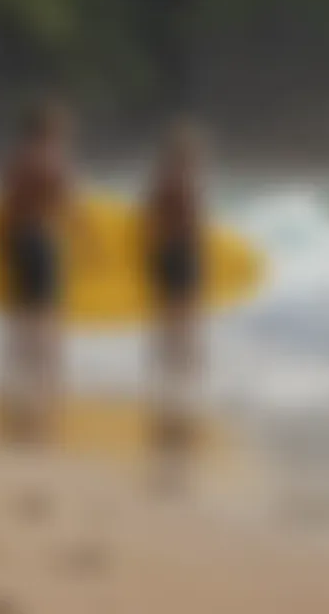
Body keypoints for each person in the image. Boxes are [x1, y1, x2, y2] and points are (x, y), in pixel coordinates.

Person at [0, 98, 85, 444]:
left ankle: (17, 381)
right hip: (42, 241)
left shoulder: (16, 160)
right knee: (49, 314)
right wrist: (90, 245)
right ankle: (48, 385)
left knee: (21, 314)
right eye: (62, 126)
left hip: (17, 240)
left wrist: (1, 245)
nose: (67, 132)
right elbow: (70, 204)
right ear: (49, 128)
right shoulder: (52, 159)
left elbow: (3, 207)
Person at [143, 119, 204, 493]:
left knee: (170, 322)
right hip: (181, 255)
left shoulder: (160, 181)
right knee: (184, 323)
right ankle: (181, 387)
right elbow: (192, 226)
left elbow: (150, 224)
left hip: (165, 254)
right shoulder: (182, 182)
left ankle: (168, 382)